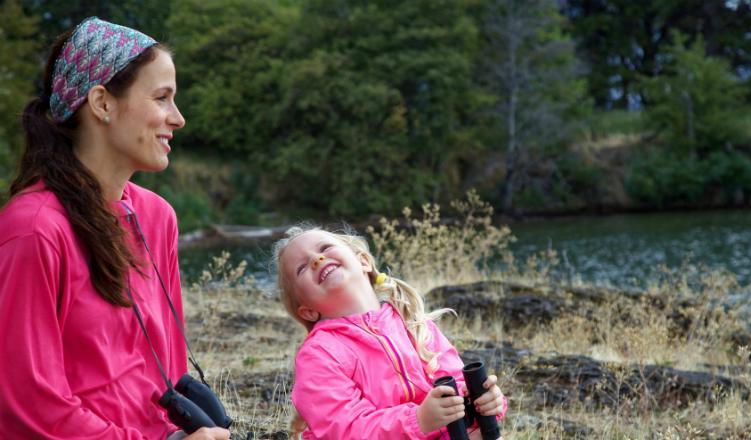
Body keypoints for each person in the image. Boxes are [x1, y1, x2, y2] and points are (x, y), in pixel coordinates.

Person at [0, 17, 229, 440]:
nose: (177, 119)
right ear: (102, 103)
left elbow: (170, 366)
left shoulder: (158, 218)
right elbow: (26, 405)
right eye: (162, 98)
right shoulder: (33, 230)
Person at [273, 226, 508, 439]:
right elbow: (344, 429)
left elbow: (455, 381)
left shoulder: (412, 321)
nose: (317, 258)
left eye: (325, 248)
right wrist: (418, 420)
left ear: (363, 261)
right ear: (308, 311)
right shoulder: (319, 353)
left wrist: (483, 403)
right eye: (302, 268)